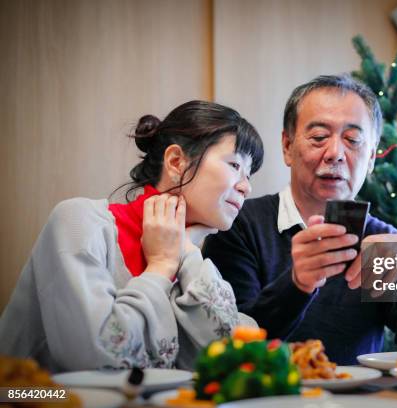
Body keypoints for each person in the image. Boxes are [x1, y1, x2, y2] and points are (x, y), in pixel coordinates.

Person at [204, 75, 397, 365]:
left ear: (371, 158)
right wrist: (297, 284)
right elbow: (230, 348)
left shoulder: (384, 243)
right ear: (287, 146)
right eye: (319, 137)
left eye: (353, 140)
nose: (335, 153)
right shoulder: (238, 225)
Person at [0, 100, 264, 372]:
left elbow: (230, 361)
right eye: (235, 165)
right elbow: (100, 360)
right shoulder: (79, 222)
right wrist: (161, 265)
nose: (247, 187)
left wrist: (187, 251)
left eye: (249, 173)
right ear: (176, 162)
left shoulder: (192, 259)